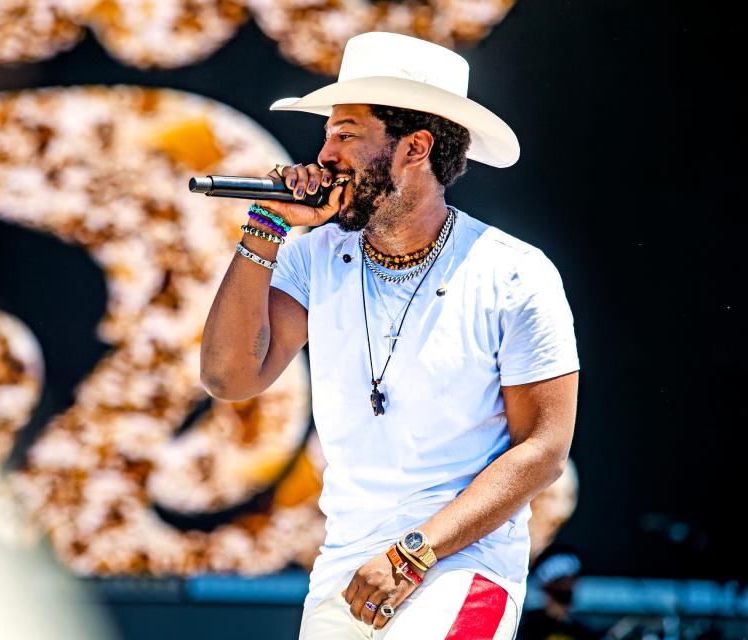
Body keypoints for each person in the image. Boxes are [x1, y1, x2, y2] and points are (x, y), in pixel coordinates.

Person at [200, 31, 580, 640]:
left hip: (462, 564)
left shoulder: (512, 272)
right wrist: (267, 223)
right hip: (346, 567)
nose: (322, 155)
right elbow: (229, 376)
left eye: (346, 134)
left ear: (415, 147)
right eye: (327, 133)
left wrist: (413, 554)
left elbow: (543, 449)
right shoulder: (311, 257)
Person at [518, 547, 600, 640]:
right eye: (563, 582)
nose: (570, 586)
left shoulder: (582, 630)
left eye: (573, 580)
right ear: (548, 585)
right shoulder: (528, 627)